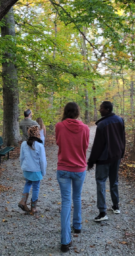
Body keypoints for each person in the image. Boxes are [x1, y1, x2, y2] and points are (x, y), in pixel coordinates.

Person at [55, 102, 89, 252]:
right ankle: (78, 225)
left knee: (66, 201)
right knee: (77, 197)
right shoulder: (85, 128)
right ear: (77, 112)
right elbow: (85, 146)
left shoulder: (59, 126)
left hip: (63, 168)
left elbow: (58, 142)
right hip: (79, 168)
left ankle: (65, 240)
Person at [88, 101, 125, 222]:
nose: (99, 110)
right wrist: (121, 152)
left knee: (101, 182)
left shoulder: (102, 125)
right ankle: (116, 206)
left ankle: (103, 212)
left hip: (104, 158)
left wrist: (91, 161)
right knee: (114, 181)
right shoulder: (120, 120)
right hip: (116, 156)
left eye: (101, 108)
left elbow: (98, 145)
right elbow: (123, 138)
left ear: (107, 109)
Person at [18, 125, 47, 214]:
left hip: (27, 169)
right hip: (36, 170)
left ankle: (23, 201)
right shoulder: (39, 145)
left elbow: (21, 158)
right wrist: (43, 171)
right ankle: (33, 207)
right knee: (36, 187)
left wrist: (23, 167)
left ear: (29, 134)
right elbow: (42, 160)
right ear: (38, 134)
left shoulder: (23, 144)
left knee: (28, 183)